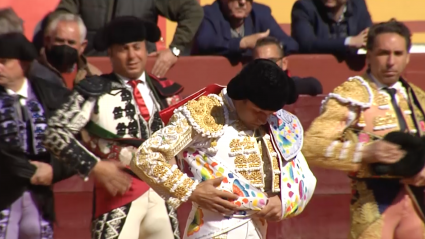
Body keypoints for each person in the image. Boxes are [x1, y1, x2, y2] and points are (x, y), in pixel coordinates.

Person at [130, 58, 317, 238]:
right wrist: (192, 190)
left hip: (256, 228)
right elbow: (146, 156)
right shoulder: (206, 112)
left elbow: (300, 172)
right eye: (258, 112)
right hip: (212, 229)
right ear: (241, 97)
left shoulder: (273, 121)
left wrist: (283, 200)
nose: (263, 119)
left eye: (269, 114)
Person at [43, 16, 184, 239]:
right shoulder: (93, 91)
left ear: (146, 49)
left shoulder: (165, 91)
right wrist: (95, 166)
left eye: (137, 47)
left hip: (162, 199)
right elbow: (53, 133)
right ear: (110, 53)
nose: (132, 56)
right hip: (118, 197)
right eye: (123, 49)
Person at [302, 19, 425, 239]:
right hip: (372, 202)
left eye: (398, 54)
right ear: (368, 56)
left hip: (418, 201)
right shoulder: (352, 95)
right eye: (383, 53)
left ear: (407, 57)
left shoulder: (418, 97)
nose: (390, 62)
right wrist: (365, 153)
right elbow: (312, 146)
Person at [0, 32, 75, 239]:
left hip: (39, 198)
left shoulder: (53, 96)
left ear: (23, 64)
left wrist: (54, 170)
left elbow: (76, 145)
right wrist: (28, 171)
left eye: (4, 62)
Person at [49, 0, 204, 77]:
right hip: (92, 75)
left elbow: (192, 11)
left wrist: (175, 49)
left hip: (137, 78)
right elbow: (61, 16)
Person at [193, 0, 298, 62]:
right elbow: (204, 43)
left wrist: (268, 47)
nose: (242, 2)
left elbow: (290, 44)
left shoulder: (260, 13)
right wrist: (243, 43)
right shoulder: (208, 13)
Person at [29, 13, 101, 89]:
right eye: (59, 41)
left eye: (71, 42)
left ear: (82, 46)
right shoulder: (32, 73)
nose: (65, 46)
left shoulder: (93, 76)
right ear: (47, 40)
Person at [291, 0, 372, 59]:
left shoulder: (358, 5)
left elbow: (368, 37)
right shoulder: (304, 7)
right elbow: (307, 44)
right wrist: (348, 42)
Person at [253, 36, 323, 96]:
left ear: (284, 63)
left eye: (272, 60)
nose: (266, 65)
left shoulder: (292, 84)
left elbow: (314, 85)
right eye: (260, 62)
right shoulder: (247, 87)